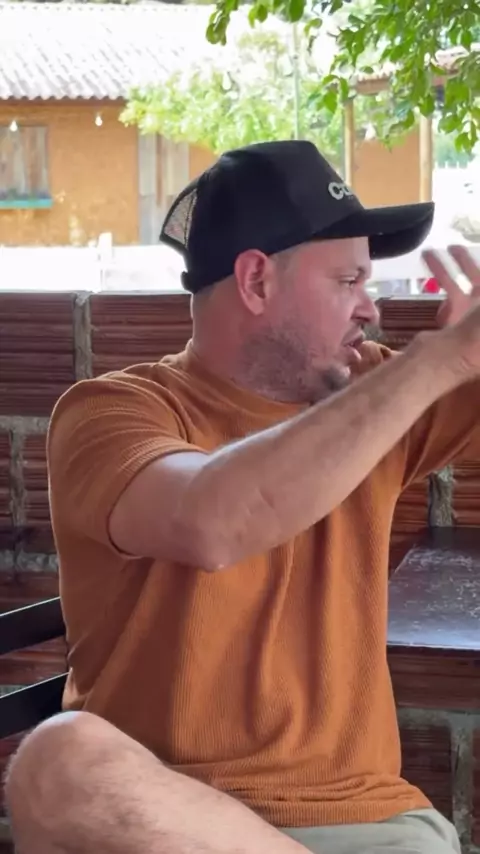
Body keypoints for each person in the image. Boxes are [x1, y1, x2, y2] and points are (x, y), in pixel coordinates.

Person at [5, 140, 480, 854]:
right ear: (256, 280)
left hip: (363, 826)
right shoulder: (111, 413)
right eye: (349, 280)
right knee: (57, 761)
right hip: (158, 823)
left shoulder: (375, 392)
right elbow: (215, 521)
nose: (371, 309)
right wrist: (438, 363)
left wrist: (443, 367)